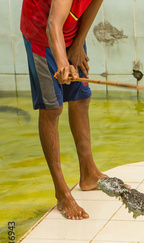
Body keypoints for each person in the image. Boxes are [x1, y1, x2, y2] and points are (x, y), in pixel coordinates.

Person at [21, 0, 105, 219]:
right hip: (41, 35)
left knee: (81, 98)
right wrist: (62, 64)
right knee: (52, 108)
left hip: (70, 32)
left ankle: (88, 174)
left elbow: (94, 3)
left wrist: (78, 44)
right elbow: (52, 25)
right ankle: (62, 193)